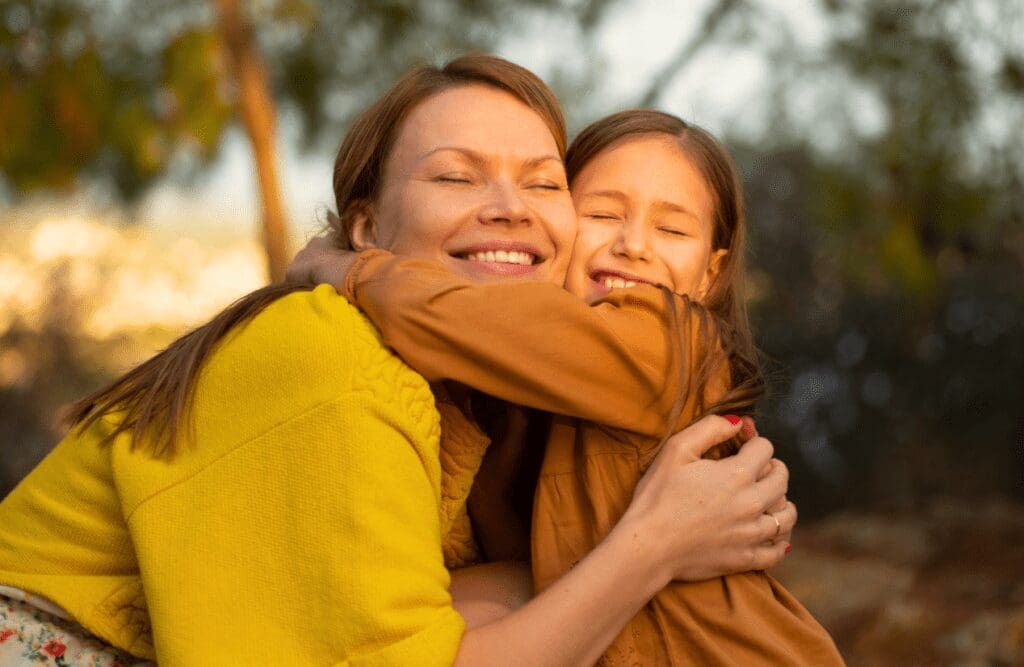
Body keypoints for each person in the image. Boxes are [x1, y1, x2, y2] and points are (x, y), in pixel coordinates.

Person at [0, 56, 793, 665]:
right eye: (455, 175)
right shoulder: (331, 356)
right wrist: (656, 542)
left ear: (715, 268)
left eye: (542, 183)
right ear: (367, 227)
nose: (510, 207)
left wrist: (685, 531)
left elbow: (504, 591)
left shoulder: (489, 401)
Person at [288, 109, 844, 664]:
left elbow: (457, 318)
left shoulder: (671, 341)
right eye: (602, 214)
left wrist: (345, 267)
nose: (633, 245)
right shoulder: (525, 390)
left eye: (672, 229)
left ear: (710, 273)